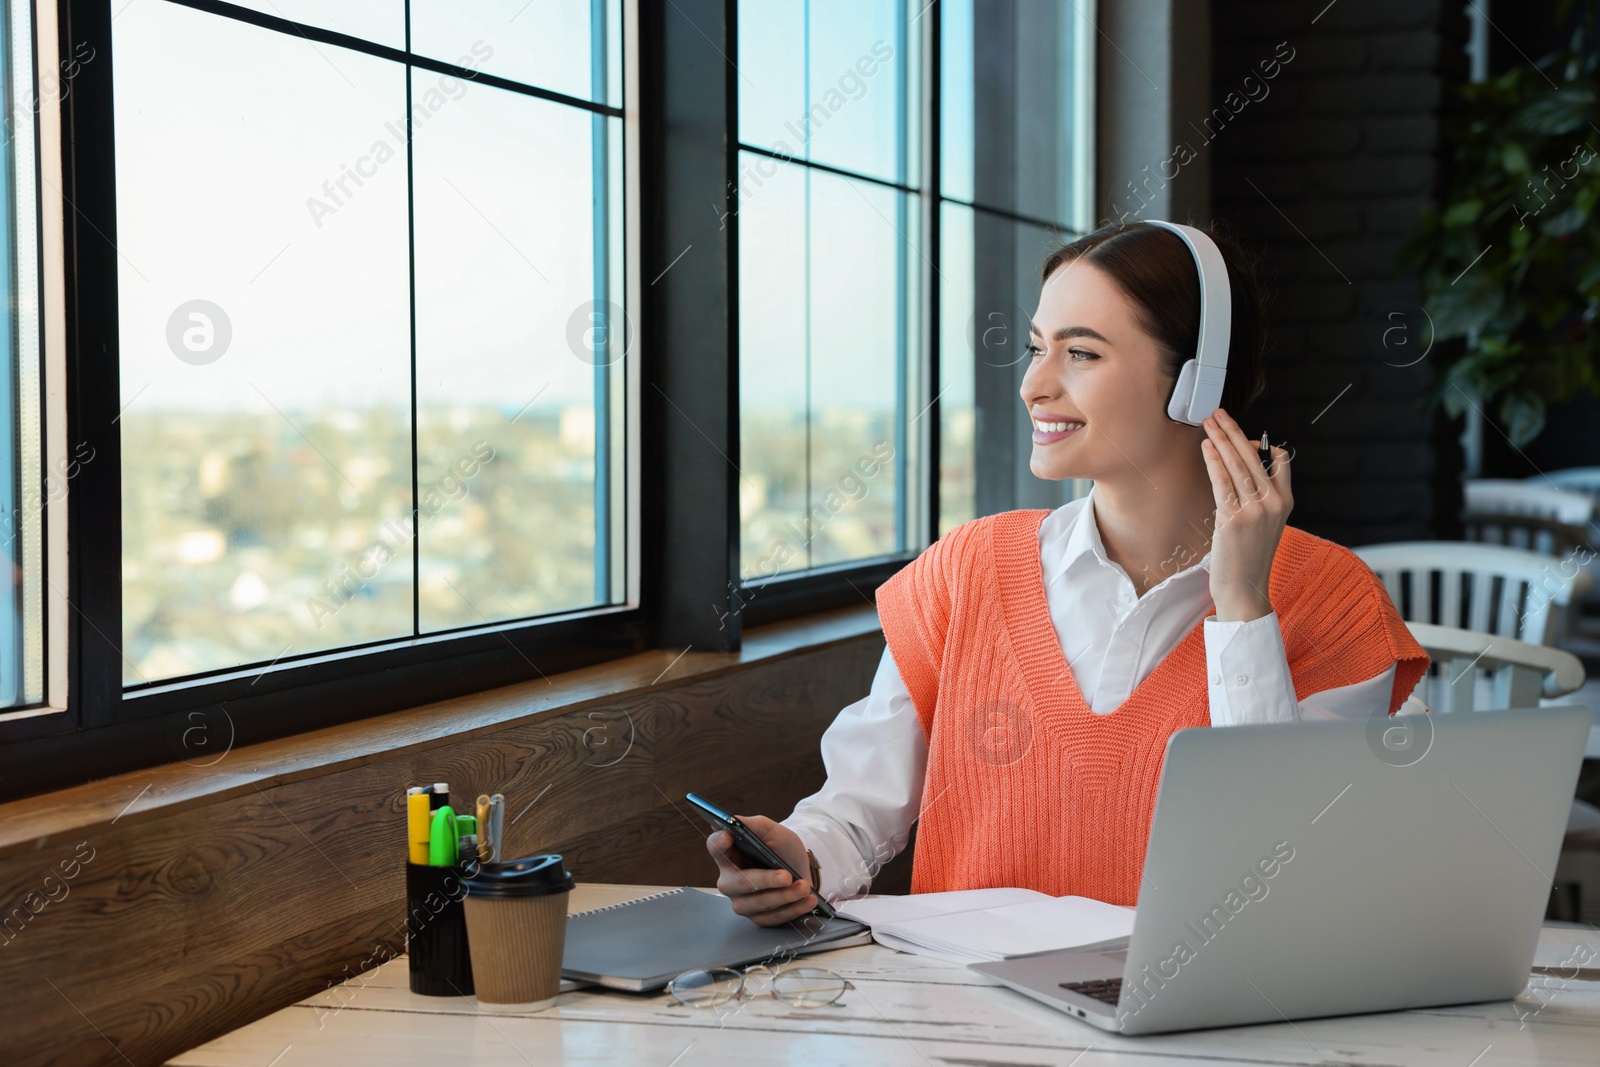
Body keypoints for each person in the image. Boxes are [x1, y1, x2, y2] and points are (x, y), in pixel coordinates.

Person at [706, 218, 1431, 927]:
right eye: (1034, 348)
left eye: (1080, 353)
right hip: (963, 1017)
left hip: (1194, 1023)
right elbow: (860, 811)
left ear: (1196, 383)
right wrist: (799, 857)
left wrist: (1243, 605)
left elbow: (1279, 870)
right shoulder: (969, 567)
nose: (1033, 385)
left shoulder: (1334, 599)